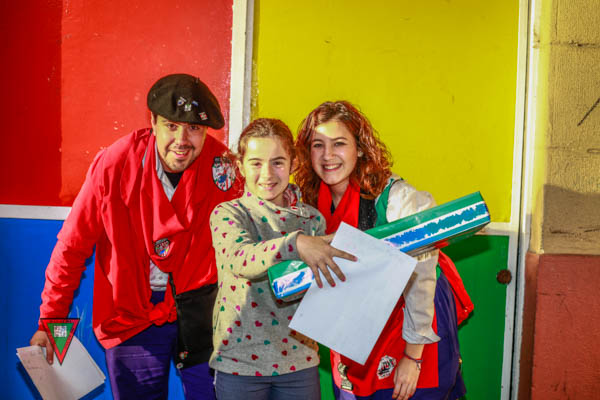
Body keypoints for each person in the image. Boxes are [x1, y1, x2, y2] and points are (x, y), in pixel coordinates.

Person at [29, 73, 242, 399]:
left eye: (194, 128)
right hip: (130, 316)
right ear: (153, 121)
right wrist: (51, 321)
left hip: (202, 311)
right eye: (171, 125)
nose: (182, 139)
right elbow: (72, 247)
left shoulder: (223, 168)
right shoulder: (114, 165)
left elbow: (257, 226)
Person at [295, 101, 474, 400]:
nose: (327, 155)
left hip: (412, 319)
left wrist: (413, 357)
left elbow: (422, 277)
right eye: (318, 145)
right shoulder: (310, 201)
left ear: (360, 148)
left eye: (339, 143)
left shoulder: (396, 198)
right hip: (357, 326)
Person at [208, 118, 356, 400]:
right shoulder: (229, 213)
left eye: (277, 162)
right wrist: (296, 244)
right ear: (240, 166)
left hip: (299, 363)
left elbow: (325, 286)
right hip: (239, 364)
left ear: (293, 163)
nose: (267, 174)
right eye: (255, 163)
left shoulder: (312, 220)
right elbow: (241, 258)